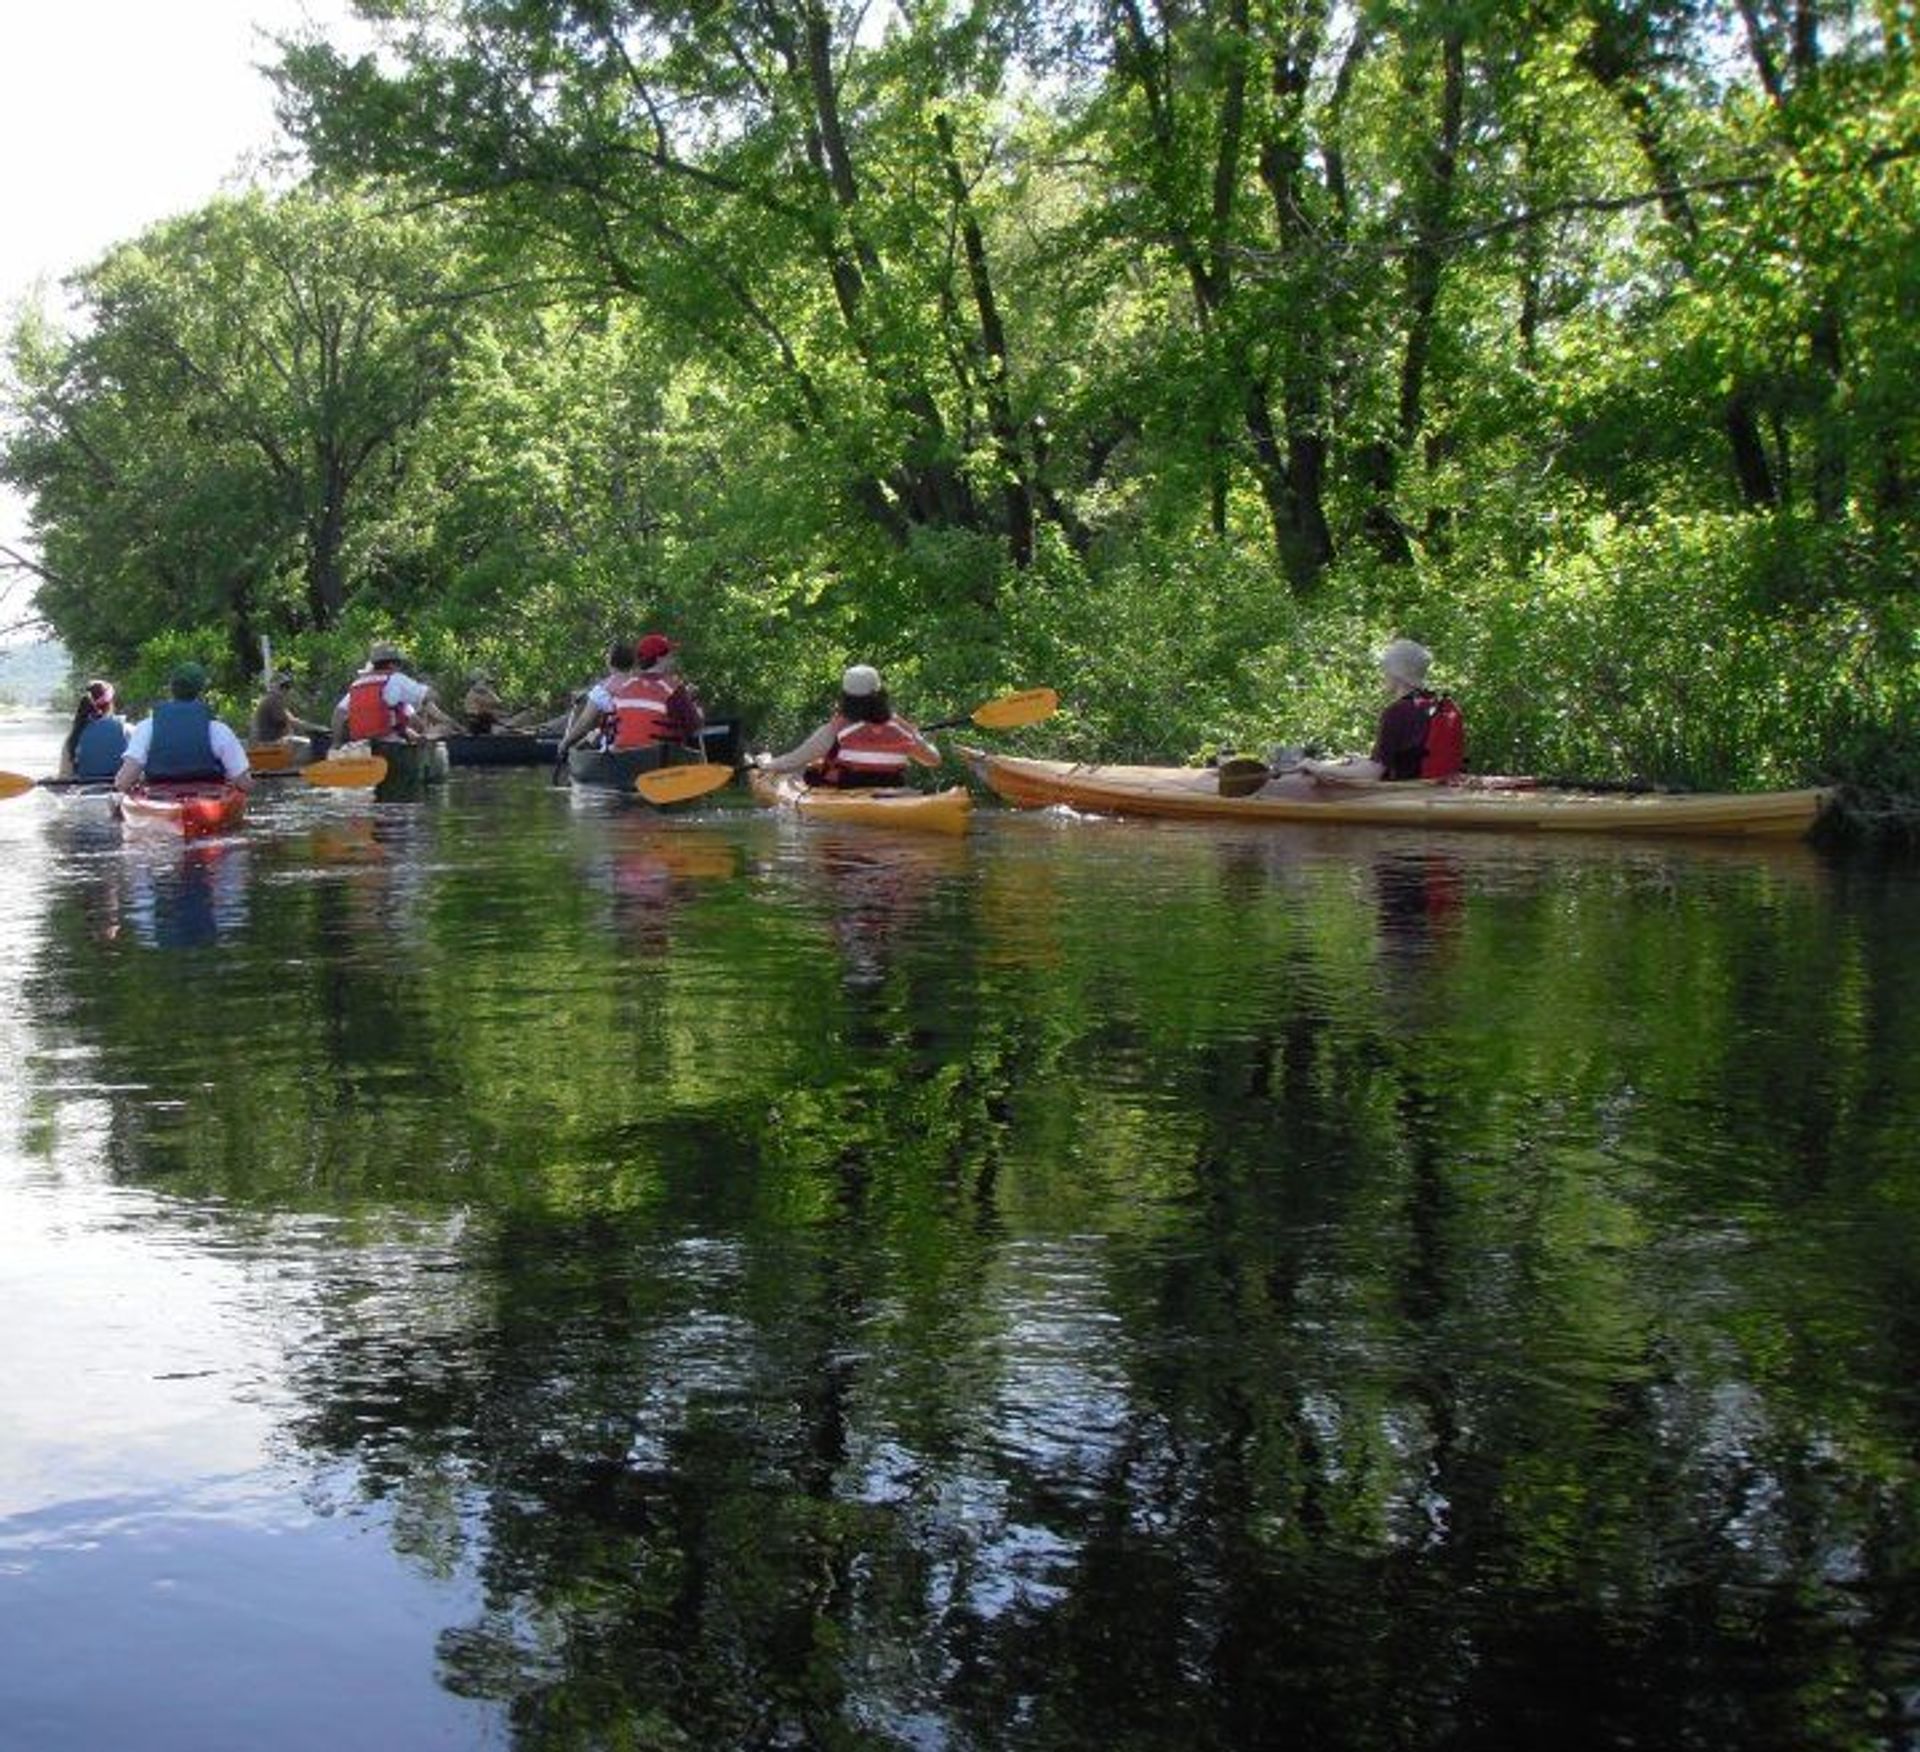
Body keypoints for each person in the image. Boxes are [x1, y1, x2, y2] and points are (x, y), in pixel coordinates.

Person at [1288, 639, 1465, 789]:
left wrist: (1318, 767)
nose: (1382, 675)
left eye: (1385, 670)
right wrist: (1361, 761)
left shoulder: (1397, 712)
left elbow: (1372, 775)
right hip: (1439, 789)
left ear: (1397, 674)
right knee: (1357, 762)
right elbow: (1410, 757)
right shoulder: (1441, 704)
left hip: (1407, 797)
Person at [754, 664, 941, 788]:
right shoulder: (901, 727)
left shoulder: (836, 728)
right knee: (815, 764)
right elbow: (933, 760)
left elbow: (795, 760)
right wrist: (921, 738)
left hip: (849, 792)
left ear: (845, 696)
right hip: (892, 792)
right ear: (881, 694)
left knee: (804, 771)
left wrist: (767, 764)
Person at [559, 634, 704, 758]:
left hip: (621, 757)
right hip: (657, 759)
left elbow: (598, 722)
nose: (673, 658)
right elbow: (695, 726)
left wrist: (566, 743)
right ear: (660, 659)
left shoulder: (623, 688)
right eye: (670, 655)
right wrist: (696, 706)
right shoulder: (673, 688)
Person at [114, 662, 252, 792]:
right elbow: (244, 783)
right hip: (210, 797)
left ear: (171, 689)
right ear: (201, 693)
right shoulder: (219, 730)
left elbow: (123, 782)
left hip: (158, 799)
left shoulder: (146, 727)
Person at [331, 641, 461, 746]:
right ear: (392, 664)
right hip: (390, 744)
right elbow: (433, 695)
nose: (400, 667)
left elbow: (339, 713)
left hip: (359, 744)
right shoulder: (396, 679)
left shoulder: (357, 685)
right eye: (399, 663)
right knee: (445, 728)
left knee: (406, 730)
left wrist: (336, 743)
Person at [58, 679, 129, 781]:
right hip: (118, 790)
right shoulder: (127, 730)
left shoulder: (74, 736)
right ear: (111, 704)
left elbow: (64, 777)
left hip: (82, 792)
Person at [251, 670, 330, 746]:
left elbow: (292, 721)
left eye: (287, 686)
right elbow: (293, 722)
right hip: (267, 745)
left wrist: (316, 728)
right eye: (282, 686)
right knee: (311, 744)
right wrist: (319, 729)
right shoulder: (272, 700)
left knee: (305, 741)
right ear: (273, 687)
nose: (285, 689)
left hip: (270, 743)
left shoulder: (274, 701)